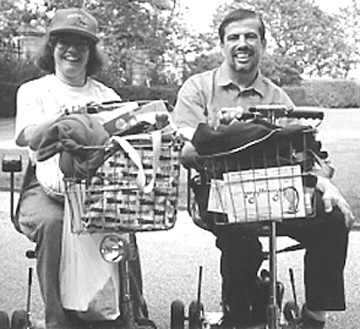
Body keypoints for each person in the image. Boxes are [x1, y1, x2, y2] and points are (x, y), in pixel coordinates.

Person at [173, 8, 355, 329]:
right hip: (220, 198)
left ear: (263, 45)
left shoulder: (277, 97)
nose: (242, 44)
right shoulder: (198, 88)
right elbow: (186, 149)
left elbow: (306, 151)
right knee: (241, 242)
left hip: (276, 194)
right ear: (222, 46)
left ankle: (314, 316)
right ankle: (241, 316)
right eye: (233, 38)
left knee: (334, 218)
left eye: (250, 37)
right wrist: (219, 133)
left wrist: (328, 185)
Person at [15, 8, 145, 329]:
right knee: (53, 224)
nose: (72, 50)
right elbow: (26, 136)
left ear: (91, 51)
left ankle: (132, 317)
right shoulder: (34, 90)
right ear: (52, 47)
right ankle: (59, 322)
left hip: (97, 184)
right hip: (46, 186)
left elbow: (124, 139)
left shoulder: (107, 95)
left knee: (123, 228)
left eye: (82, 44)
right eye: (64, 42)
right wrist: (64, 117)